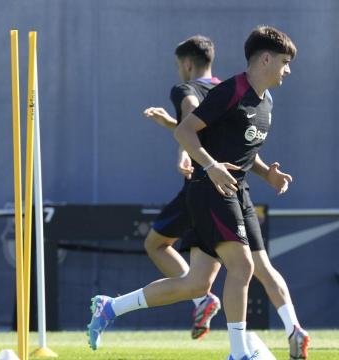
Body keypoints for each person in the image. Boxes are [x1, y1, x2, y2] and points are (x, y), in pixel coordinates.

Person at [88, 26, 310, 360]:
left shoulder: (267, 101)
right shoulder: (229, 91)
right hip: (210, 190)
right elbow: (186, 131)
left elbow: (244, 150)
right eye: (284, 62)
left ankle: (110, 307)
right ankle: (239, 353)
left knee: (196, 285)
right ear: (265, 59)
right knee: (243, 267)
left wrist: (268, 174)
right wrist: (209, 166)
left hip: (238, 191)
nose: (288, 70)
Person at [142, 35, 222, 340]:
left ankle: (201, 298)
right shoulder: (226, 90)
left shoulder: (185, 88)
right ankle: (289, 325)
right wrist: (169, 125)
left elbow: (190, 117)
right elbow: (210, 132)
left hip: (199, 186)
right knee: (254, 265)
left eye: (179, 66)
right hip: (229, 187)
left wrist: (183, 152)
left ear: (187, 64)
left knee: (155, 244)